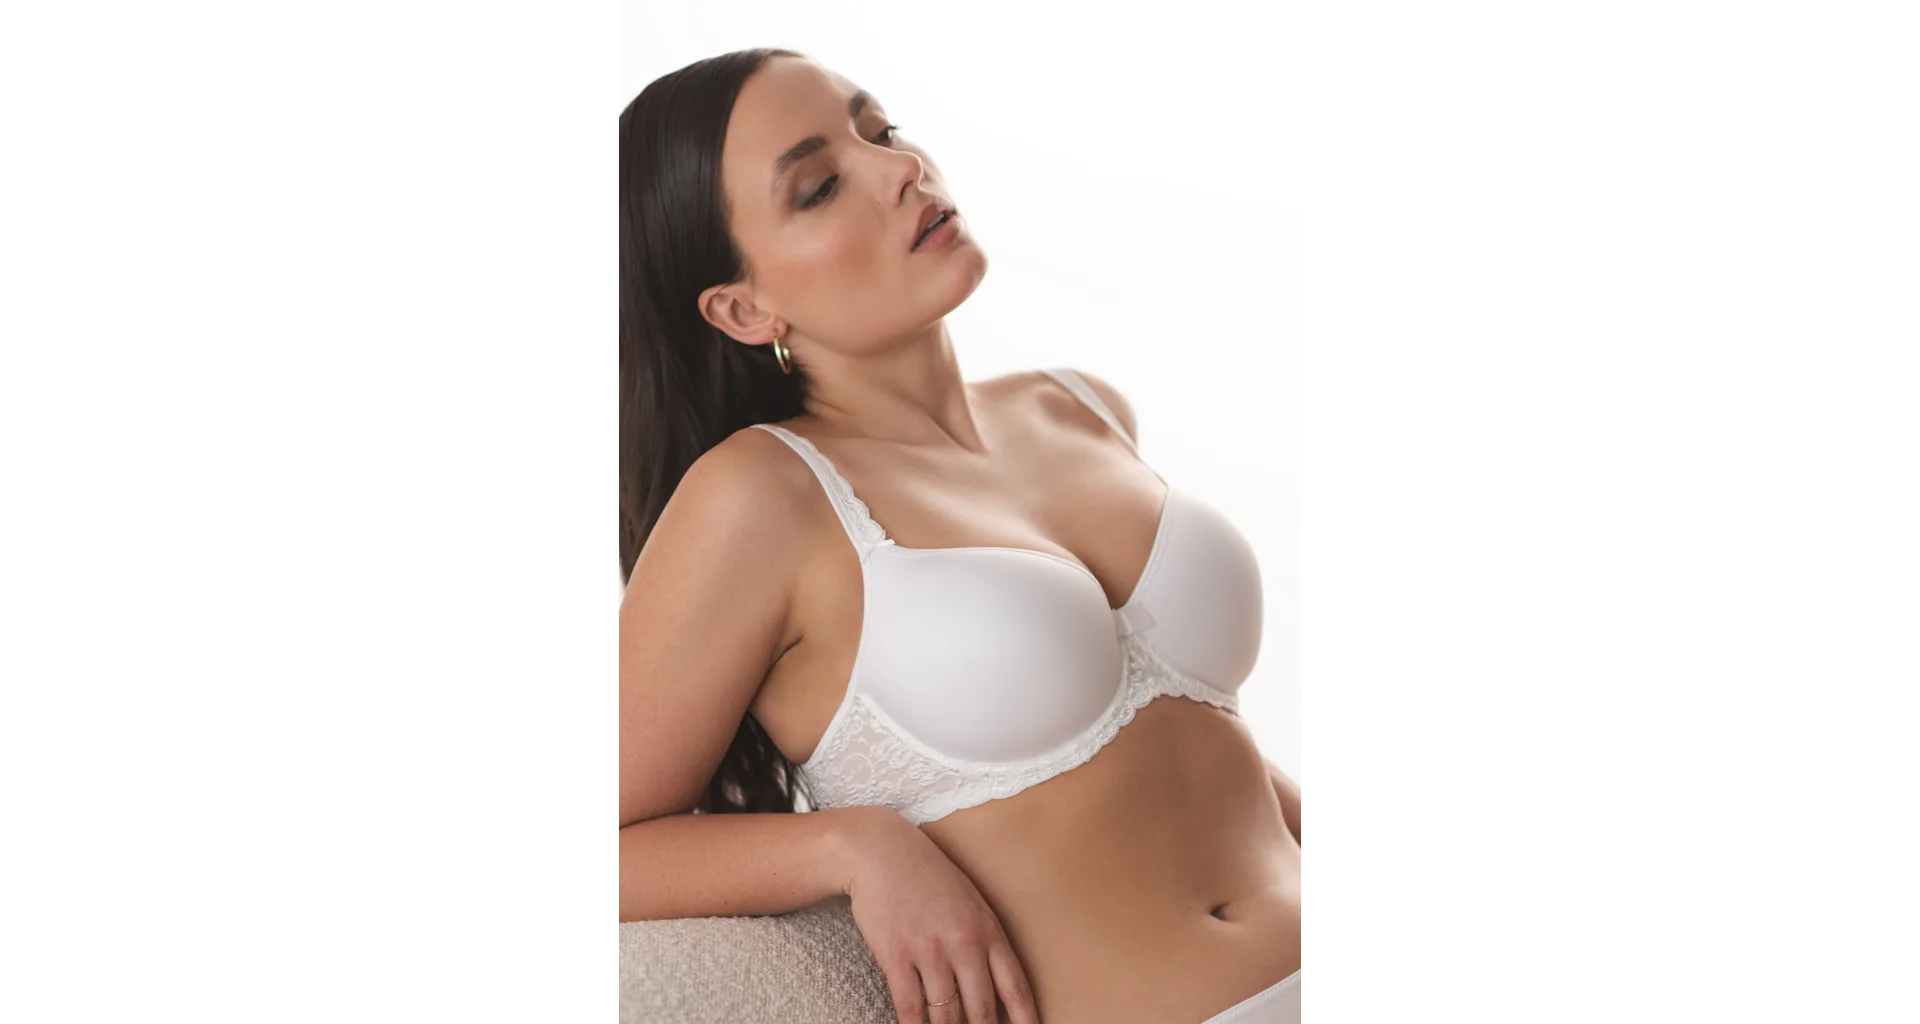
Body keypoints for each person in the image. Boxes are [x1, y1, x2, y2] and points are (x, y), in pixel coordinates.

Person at [619, 47, 1301, 1024]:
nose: (902, 169)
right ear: (743, 307)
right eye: (819, 186)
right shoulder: (761, 497)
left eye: (881, 131)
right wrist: (852, 846)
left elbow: (1190, 753)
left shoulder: (1079, 409)